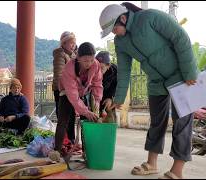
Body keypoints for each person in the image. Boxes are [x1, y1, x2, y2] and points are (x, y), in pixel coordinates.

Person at [99, 2, 199, 179]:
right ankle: (152, 164)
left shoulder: (150, 17)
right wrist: (119, 97)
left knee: (182, 123)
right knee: (156, 123)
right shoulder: (120, 41)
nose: (114, 33)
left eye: (114, 29)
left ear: (123, 18)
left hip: (181, 76)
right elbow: (124, 70)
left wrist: (189, 72)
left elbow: (180, 37)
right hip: (156, 81)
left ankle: (177, 170)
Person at [49, 42, 103, 161]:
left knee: (87, 121)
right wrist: (86, 111)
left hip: (84, 91)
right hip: (66, 92)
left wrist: (97, 101)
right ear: (78, 57)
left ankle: (86, 151)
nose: (89, 63)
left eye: (91, 59)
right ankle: (56, 151)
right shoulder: (69, 67)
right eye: (85, 60)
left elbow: (97, 84)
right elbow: (72, 96)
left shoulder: (96, 65)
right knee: (63, 120)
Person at [52, 31, 77, 144]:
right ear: (64, 43)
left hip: (71, 90)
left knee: (71, 116)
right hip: (61, 90)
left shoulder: (73, 55)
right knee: (63, 118)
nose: (73, 45)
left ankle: (70, 140)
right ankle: (63, 142)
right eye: (71, 43)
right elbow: (59, 74)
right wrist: (63, 91)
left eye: (74, 43)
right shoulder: (60, 53)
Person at [95, 51, 118, 122]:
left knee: (110, 121)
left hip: (107, 99)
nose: (98, 70)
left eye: (101, 67)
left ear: (108, 66)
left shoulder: (115, 71)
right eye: (97, 67)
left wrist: (110, 98)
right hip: (95, 100)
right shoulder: (91, 70)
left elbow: (116, 86)